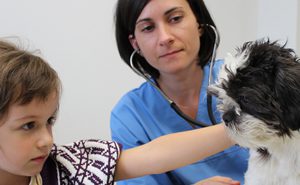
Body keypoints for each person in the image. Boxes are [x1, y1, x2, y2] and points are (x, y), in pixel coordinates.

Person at [0, 38, 241, 185]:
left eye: (49, 121)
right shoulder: (131, 109)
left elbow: (154, 155)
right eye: (28, 125)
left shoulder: (68, 168)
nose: (47, 140)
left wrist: (239, 127)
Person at [110, 0, 249, 184]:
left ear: (199, 23)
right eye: (148, 28)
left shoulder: (246, 80)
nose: (165, 37)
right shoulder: (130, 114)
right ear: (135, 44)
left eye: (175, 19)